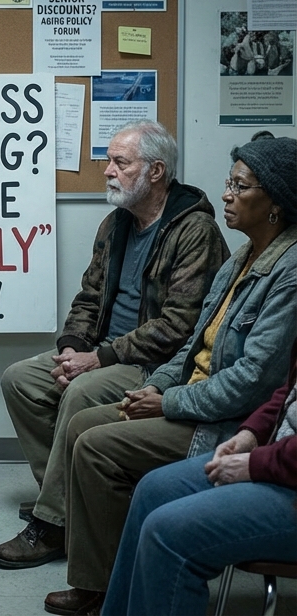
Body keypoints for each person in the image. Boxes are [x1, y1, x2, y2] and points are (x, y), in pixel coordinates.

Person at [43, 133, 297, 616]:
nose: (226, 193)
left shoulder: (286, 271)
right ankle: (103, 583)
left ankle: (93, 578)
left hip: (219, 421)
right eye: (229, 182)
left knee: (94, 442)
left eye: (239, 186)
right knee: (77, 422)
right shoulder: (239, 260)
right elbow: (192, 343)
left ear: (275, 204)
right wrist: (156, 385)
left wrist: (167, 400)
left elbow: (253, 381)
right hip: (188, 395)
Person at [0, 121, 227, 569]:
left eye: (121, 162)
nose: (107, 171)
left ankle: (54, 522)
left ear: (156, 171)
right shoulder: (116, 223)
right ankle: (66, 501)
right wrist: (71, 348)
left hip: (154, 364)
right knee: (20, 379)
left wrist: (96, 359)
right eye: (109, 161)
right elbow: (89, 295)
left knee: (81, 392)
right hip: (100, 350)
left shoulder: (195, 231)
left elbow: (179, 326)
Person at [101, 350, 297, 616]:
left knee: (167, 533)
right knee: (153, 490)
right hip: (277, 458)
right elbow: (289, 391)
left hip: (287, 480)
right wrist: (250, 434)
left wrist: (256, 464)